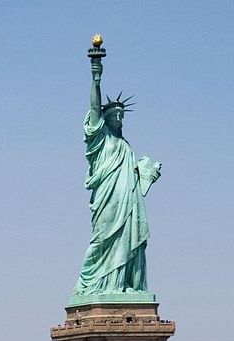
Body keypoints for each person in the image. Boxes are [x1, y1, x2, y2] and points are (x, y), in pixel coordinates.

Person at [72, 49, 161, 299]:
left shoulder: (125, 145)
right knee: (102, 239)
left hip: (129, 201)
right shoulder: (100, 138)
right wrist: (96, 76)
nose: (120, 119)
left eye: (122, 116)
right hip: (107, 198)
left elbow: (134, 179)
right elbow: (93, 106)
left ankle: (124, 285)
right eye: (115, 115)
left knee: (129, 238)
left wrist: (147, 176)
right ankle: (91, 284)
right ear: (105, 119)